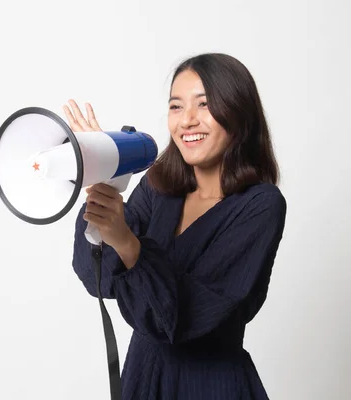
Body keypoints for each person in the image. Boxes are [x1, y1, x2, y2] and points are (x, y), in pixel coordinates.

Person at [64, 53, 287, 400]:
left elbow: (188, 318)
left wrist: (129, 244)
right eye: (176, 107)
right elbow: (101, 279)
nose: (188, 121)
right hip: (143, 377)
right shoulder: (158, 186)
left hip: (209, 386)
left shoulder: (260, 206)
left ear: (238, 114)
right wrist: (105, 177)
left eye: (205, 105)